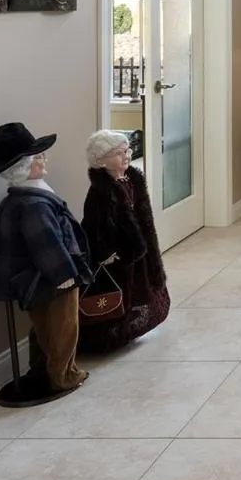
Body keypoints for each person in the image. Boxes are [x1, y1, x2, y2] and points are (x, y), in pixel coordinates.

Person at [0, 122, 94, 392]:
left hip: (37, 279)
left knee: (44, 326)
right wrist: (65, 276)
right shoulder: (33, 205)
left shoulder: (23, 197)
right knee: (62, 327)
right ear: (23, 166)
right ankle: (63, 375)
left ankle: (43, 367)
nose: (44, 159)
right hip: (50, 278)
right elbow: (47, 244)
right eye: (38, 157)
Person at [77, 129, 170, 356]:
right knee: (123, 291)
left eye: (127, 151)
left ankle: (134, 326)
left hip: (140, 248)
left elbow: (143, 215)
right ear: (101, 161)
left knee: (144, 286)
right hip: (119, 254)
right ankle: (114, 334)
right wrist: (106, 253)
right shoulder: (99, 193)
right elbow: (93, 227)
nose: (127, 156)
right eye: (119, 153)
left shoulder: (133, 181)